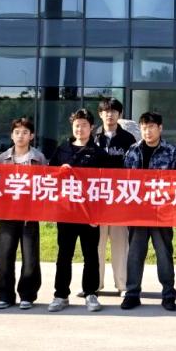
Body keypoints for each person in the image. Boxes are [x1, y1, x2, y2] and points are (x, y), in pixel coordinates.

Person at [48, 108, 110, 313]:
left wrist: (99, 214)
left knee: (91, 255)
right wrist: (59, 172)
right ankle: (60, 295)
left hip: (90, 214)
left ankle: (91, 293)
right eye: (76, 125)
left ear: (91, 127)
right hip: (66, 211)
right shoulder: (62, 150)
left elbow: (106, 185)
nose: (80, 129)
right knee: (64, 255)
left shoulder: (99, 153)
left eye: (84, 125)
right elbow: (48, 178)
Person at [120, 112, 176, 311]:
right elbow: (125, 181)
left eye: (151, 127)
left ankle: (168, 294)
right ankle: (132, 293)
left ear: (160, 128)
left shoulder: (171, 151)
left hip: (161, 213)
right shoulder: (132, 151)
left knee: (164, 254)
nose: (147, 131)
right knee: (135, 254)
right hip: (137, 212)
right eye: (144, 127)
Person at [0, 117, 48, 310]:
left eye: (25, 132)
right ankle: (5, 295)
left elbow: (47, 183)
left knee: (30, 256)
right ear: (11, 135)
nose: (21, 136)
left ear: (31, 136)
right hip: (7, 213)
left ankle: (27, 295)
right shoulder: (2, 159)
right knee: (4, 256)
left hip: (29, 215)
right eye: (17, 132)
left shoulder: (39, 158)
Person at [93, 97, 136, 294]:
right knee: (96, 244)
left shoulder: (128, 139)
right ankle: (94, 284)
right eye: (106, 111)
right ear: (100, 114)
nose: (109, 115)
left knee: (120, 244)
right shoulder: (93, 137)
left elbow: (133, 167)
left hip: (120, 198)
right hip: (97, 198)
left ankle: (123, 285)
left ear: (120, 114)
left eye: (113, 111)